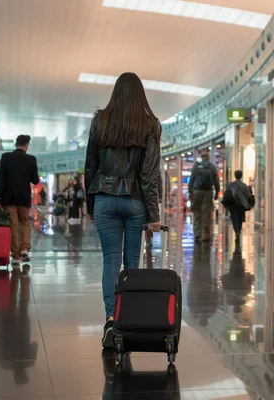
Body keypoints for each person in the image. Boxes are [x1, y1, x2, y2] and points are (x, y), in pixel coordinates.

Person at [84, 72, 161, 349]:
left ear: (116, 92)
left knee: (110, 261)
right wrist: (154, 214)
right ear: (141, 94)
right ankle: (128, 318)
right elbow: (149, 174)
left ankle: (110, 319)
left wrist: (90, 203)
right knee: (132, 265)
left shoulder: (100, 120)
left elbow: (90, 165)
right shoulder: (149, 124)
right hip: (135, 201)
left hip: (104, 197)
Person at [0, 134, 40, 265]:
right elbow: (35, 180)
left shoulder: (6, 157)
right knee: (24, 223)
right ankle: (25, 249)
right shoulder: (31, 159)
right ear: (26, 145)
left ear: (16, 144)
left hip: (8, 198)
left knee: (13, 225)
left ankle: (16, 256)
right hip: (24, 198)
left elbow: (1, 179)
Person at [188, 151, 219, 243]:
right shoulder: (212, 167)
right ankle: (205, 235)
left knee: (196, 212)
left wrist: (190, 191)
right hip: (208, 192)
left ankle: (197, 234)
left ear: (201, 157)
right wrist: (217, 192)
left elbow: (192, 179)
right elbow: (216, 181)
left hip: (196, 191)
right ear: (208, 157)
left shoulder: (196, 166)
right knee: (206, 213)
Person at [221, 170, 255, 242]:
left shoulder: (231, 185)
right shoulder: (244, 185)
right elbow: (248, 195)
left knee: (234, 218)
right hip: (241, 204)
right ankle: (238, 230)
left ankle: (237, 231)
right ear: (241, 176)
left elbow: (227, 194)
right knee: (240, 218)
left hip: (232, 204)